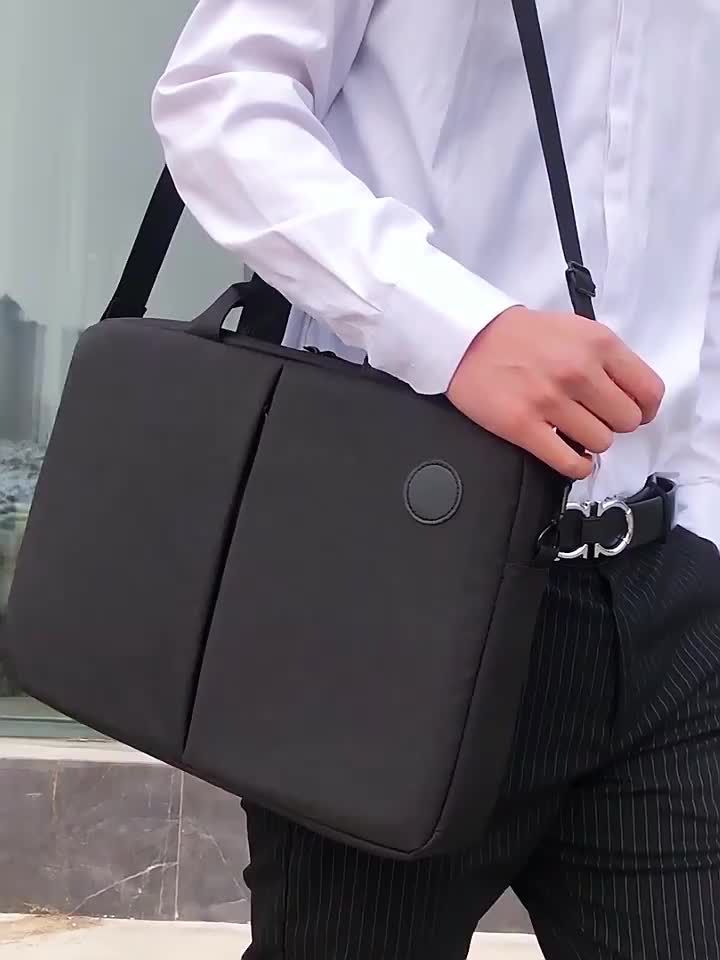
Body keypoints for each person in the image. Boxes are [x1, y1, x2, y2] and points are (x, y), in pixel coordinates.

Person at [151, 2, 720, 957]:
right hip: (397, 581)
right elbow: (219, 99)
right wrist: (459, 330)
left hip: (666, 593)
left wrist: (705, 523)